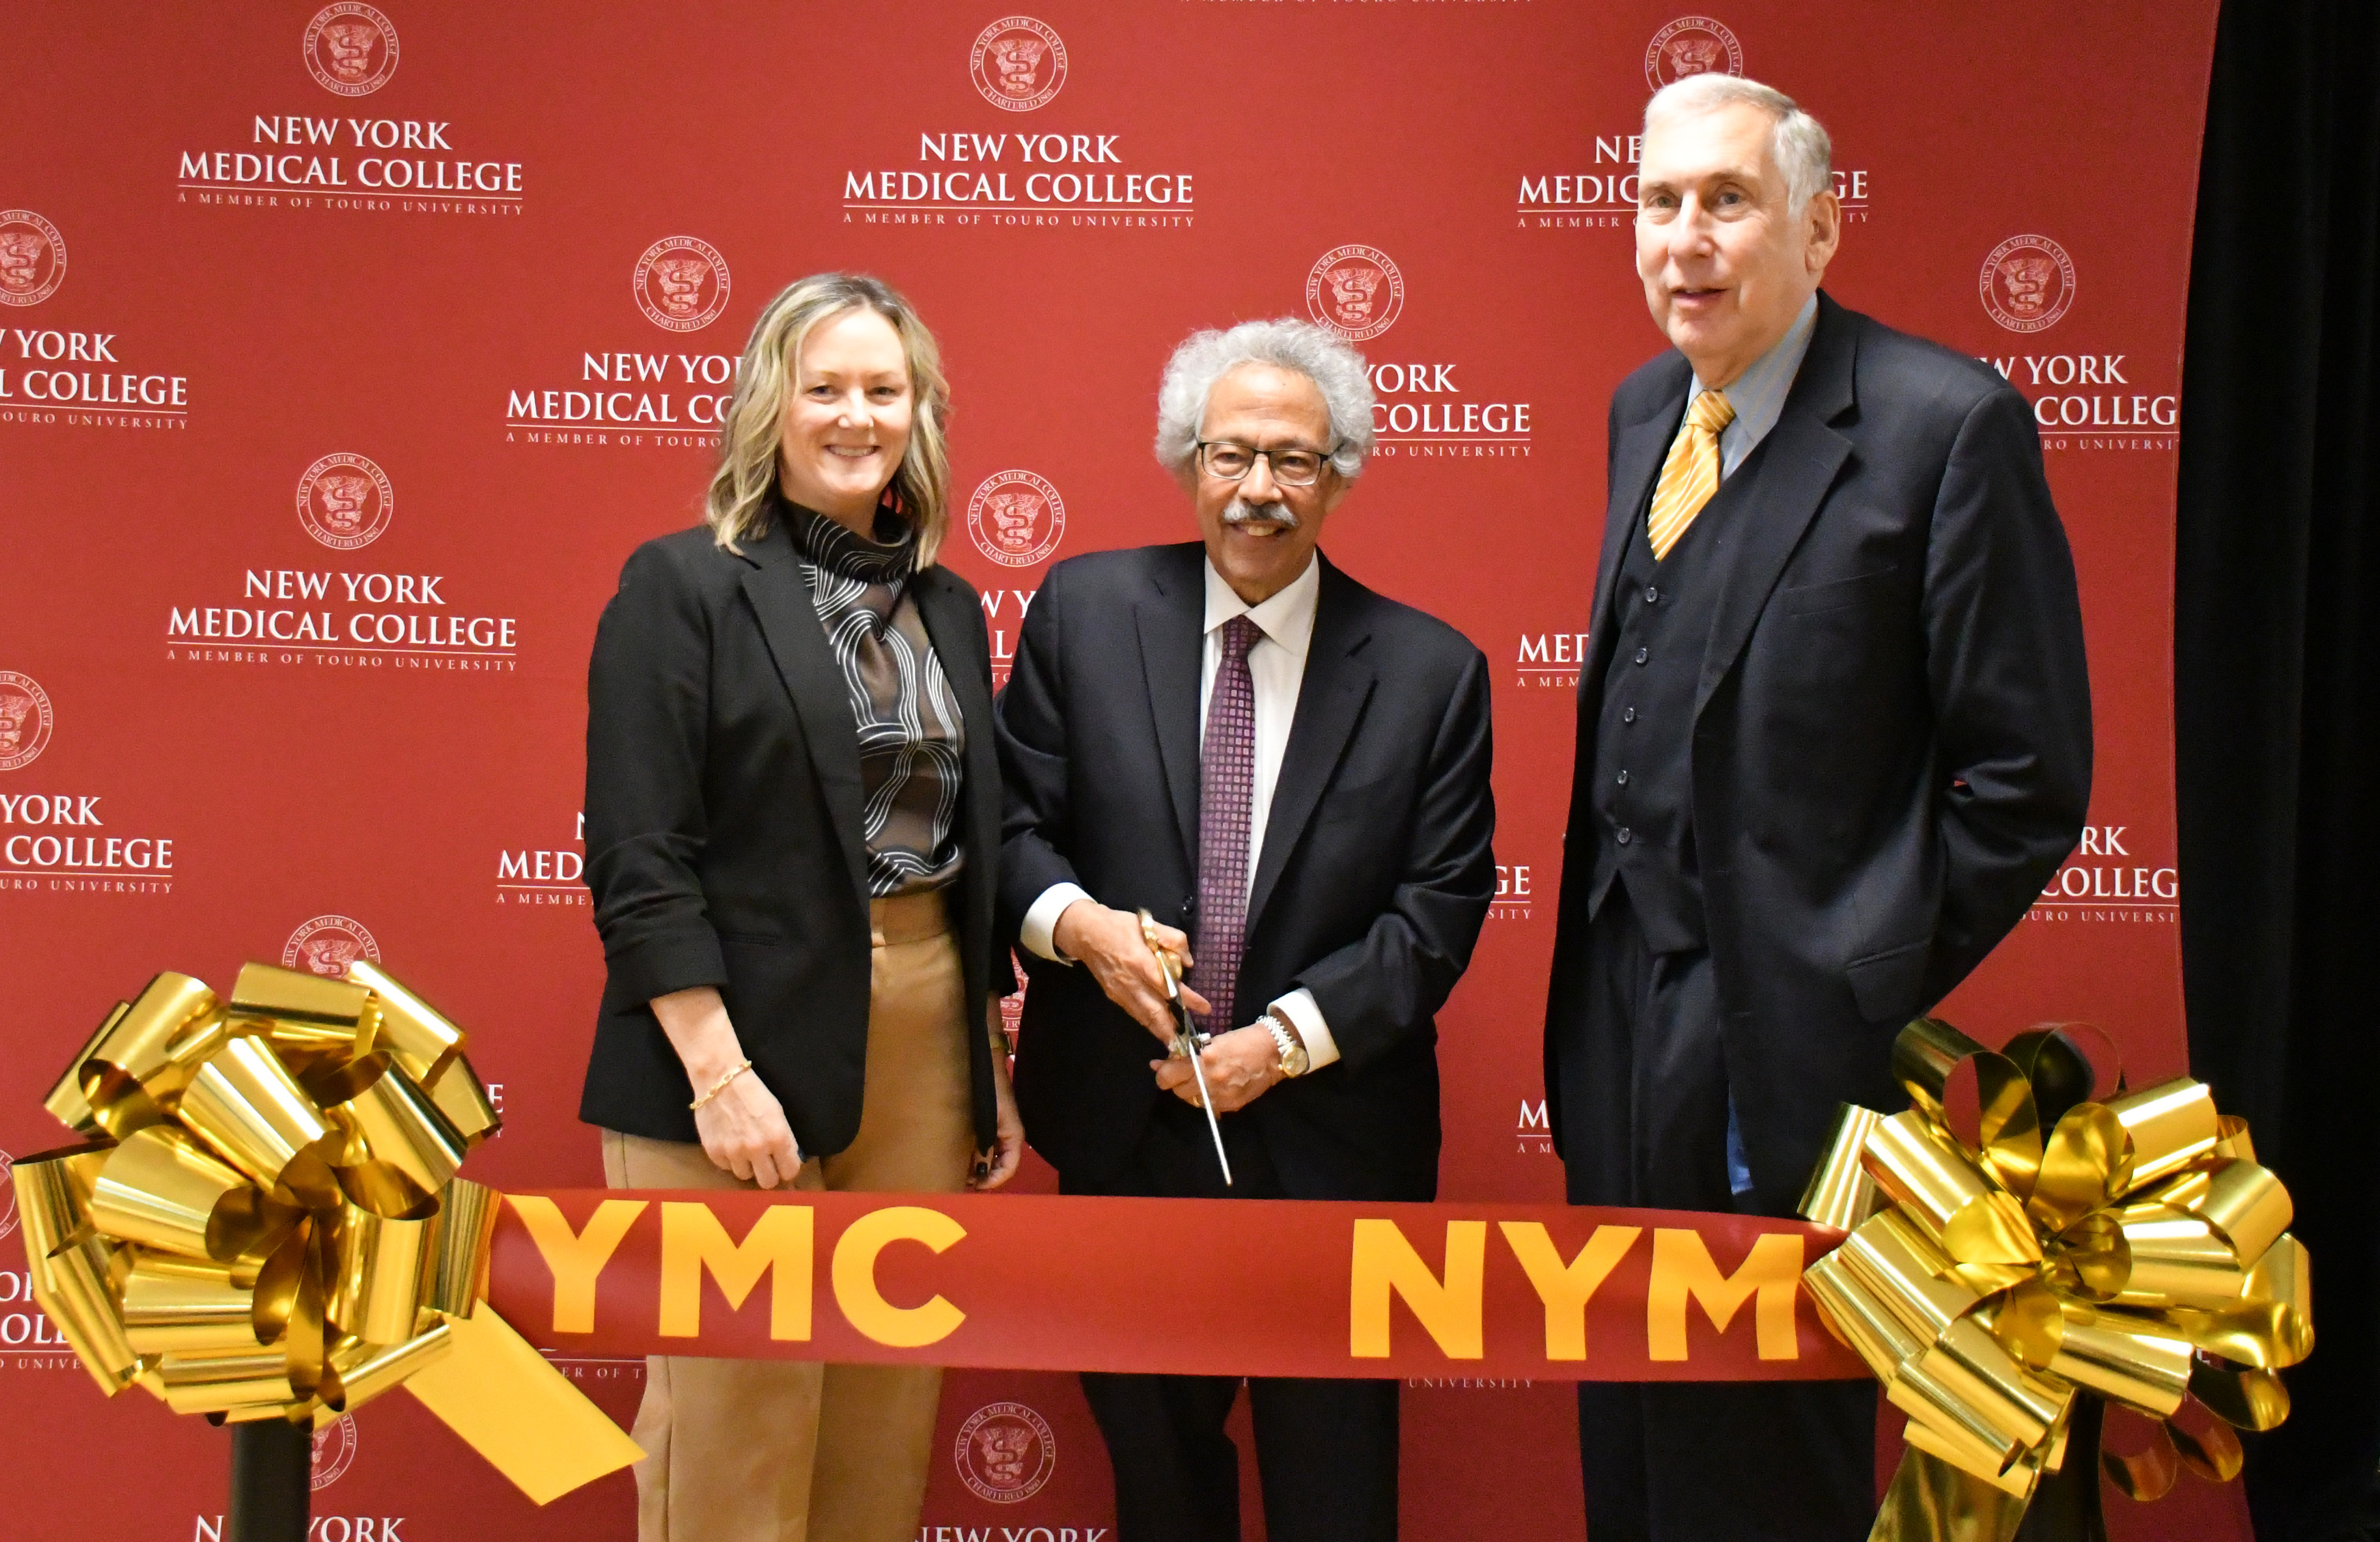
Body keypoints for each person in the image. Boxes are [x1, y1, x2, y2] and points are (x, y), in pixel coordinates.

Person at [1540, 73, 2093, 1541]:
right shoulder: (1644, 407)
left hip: (1787, 1041)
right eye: (1658, 203)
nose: (1685, 239)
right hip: (1612, 1014)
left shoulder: (1944, 427)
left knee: (1760, 1453)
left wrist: (1856, 977)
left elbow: (2029, 780)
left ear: (1821, 226)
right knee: (1632, 1421)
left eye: (1727, 200)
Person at [994, 318, 1497, 1542]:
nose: (1258, 491)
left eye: (1294, 461)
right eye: (1230, 457)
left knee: (1335, 1496)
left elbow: (1436, 912)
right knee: (1158, 1494)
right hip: (1126, 1127)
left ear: (1339, 475)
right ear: (1186, 459)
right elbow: (1009, 829)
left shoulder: (1433, 671)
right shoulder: (1084, 610)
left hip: (1332, 1139)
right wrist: (1082, 933)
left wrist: (1280, 1042)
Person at [579, 271, 1025, 1542]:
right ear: (768, 406)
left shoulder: (947, 606)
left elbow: (957, 856)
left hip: (923, 1039)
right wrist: (719, 1075)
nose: (854, 415)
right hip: (726, 1049)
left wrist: (983, 1062)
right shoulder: (683, 586)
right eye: (822, 387)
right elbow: (638, 853)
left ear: (918, 414)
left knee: (883, 1419)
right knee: (736, 1424)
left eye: (882, 390)